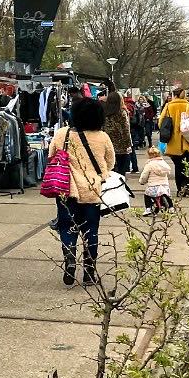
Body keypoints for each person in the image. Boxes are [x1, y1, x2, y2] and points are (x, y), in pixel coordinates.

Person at [49, 98, 113, 286]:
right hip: (92, 191)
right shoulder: (102, 137)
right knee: (91, 231)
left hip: (66, 190)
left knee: (67, 227)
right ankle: (89, 270)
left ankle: (69, 259)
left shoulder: (62, 134)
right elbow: (110, 162)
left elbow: (52, 156)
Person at [159, 87, 189, 198]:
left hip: (174, 143)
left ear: (174, 95)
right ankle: (187, 185)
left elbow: (161, 123)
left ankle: (180, 188)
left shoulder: (169, 106)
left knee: (178, 166)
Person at [103, 92, 133, 177]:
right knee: (121, 170)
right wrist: (128, 145)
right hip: (121, 145)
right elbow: (125, 130)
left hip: (107, 144)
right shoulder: (122, 112)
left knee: (110, 169)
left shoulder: (104, 112)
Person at [139, 147, 175, 216]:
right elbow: (168, 169)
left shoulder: (149, 165)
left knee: (147, 195)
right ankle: (171, 207)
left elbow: (144, 175)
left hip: (153, 185)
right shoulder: (163, 163)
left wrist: (142, 181)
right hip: (164, 185)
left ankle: (148, 208)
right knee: (167, 195)